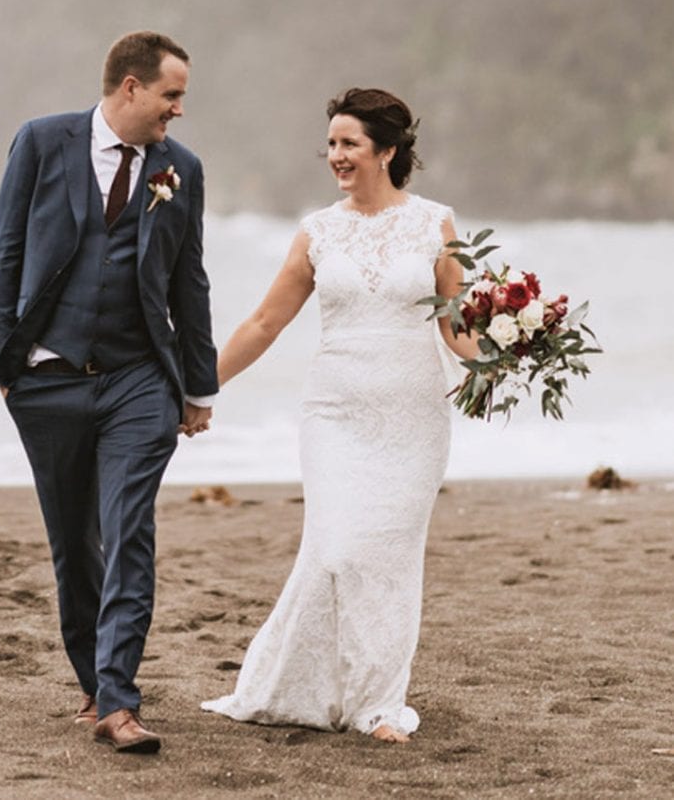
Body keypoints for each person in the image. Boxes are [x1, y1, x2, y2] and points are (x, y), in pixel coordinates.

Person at [201, 88, 479, 743]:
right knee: (336, 551)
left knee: (388, 558)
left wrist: (507, 353)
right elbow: (265, 322)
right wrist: (197, 388)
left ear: (387, 150)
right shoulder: (318, 231)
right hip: (334, 415)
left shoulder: (436, 224)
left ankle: (377, 705)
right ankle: (299, 686)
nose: (336, 156)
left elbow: (457, 325)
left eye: (349, 143)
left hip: (413, 419)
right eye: (330, 144)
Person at [0, 31, 217, 754]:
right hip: (46, 380)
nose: (178, 110)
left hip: (139, 379)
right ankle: (93, 683)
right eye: (171, 95)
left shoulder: (182, 169)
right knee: (74, 545)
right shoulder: (41, 142)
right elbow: (7, 251)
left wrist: (198, 385)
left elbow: (189, 281)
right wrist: (4, 364)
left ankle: (119, 699)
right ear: (131, 87)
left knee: (129, 530)